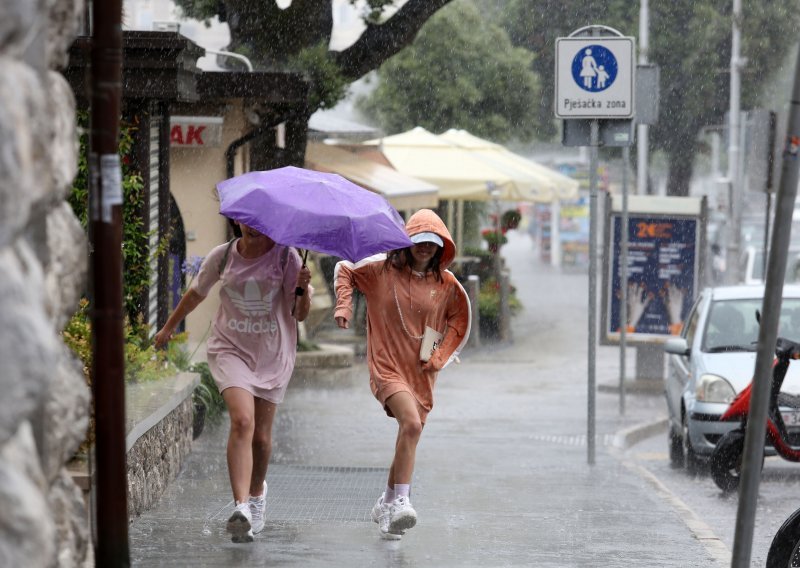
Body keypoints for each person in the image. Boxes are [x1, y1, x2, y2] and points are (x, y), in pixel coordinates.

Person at [154, 221, 312, 543]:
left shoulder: (287, 258)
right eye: (244, 220)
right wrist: (168, 328)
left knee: (262, 439)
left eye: (258, 222)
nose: (250, 227)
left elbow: (300, 314)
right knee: (242, 421)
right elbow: (197, 292)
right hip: (231, 349)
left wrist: (301, 288)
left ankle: (256, 496)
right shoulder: (223, 255)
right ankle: (240, 508)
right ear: (236, 220)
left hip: (272, 353)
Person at [332, 209, 471, 540]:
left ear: (441, 246)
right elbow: (344, 268)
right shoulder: (380, 270)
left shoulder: (447, 284)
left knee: (410, 434)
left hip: (421, 372)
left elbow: (459, 321)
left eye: (432, 242)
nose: (424, 247)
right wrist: (343, 305)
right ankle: (402, 501)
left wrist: (439, 357)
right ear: (406, 242)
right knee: (410, 425)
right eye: (419, 240)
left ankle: (387, 502)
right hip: (386, 366)